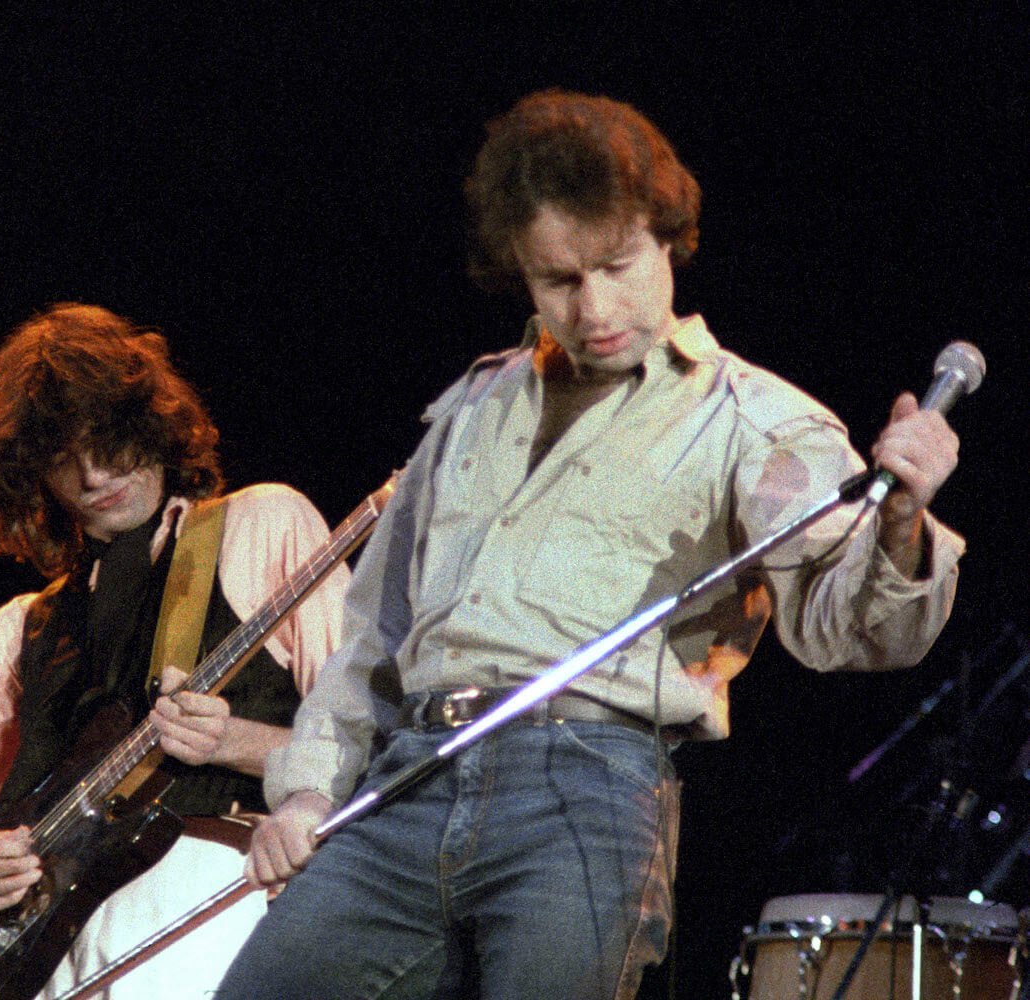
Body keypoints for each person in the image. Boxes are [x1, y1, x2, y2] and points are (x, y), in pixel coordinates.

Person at [214, 91, 965, 999]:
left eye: (618, 264)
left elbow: (847, 627)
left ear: (668, 241)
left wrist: (900, 521)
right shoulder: (469, 410)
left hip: (586, 787)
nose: (596, 305)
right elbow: (376, 633)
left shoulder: (754, 420)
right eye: (559, 280)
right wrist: (304, 789)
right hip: (406, 782)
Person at [0, 303, 349, 998]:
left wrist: (238, 740)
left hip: (206, 904)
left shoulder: (261, 526)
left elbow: (375, 737)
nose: (94, 475)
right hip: (38, 955)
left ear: (150, 423)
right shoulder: (16, 631)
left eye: (108, 439)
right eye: (59, 458)